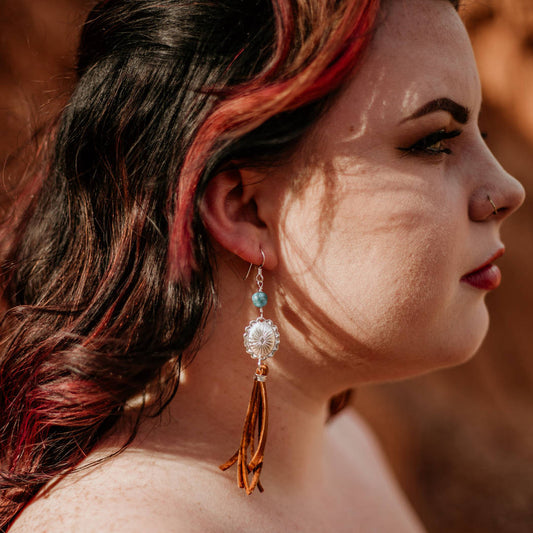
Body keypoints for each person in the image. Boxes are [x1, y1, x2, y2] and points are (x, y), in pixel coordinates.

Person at [0, 0, 525, 530]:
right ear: (245, 210)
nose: (508, 189)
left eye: (481, 134)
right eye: (434, 141)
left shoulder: (344, 448)